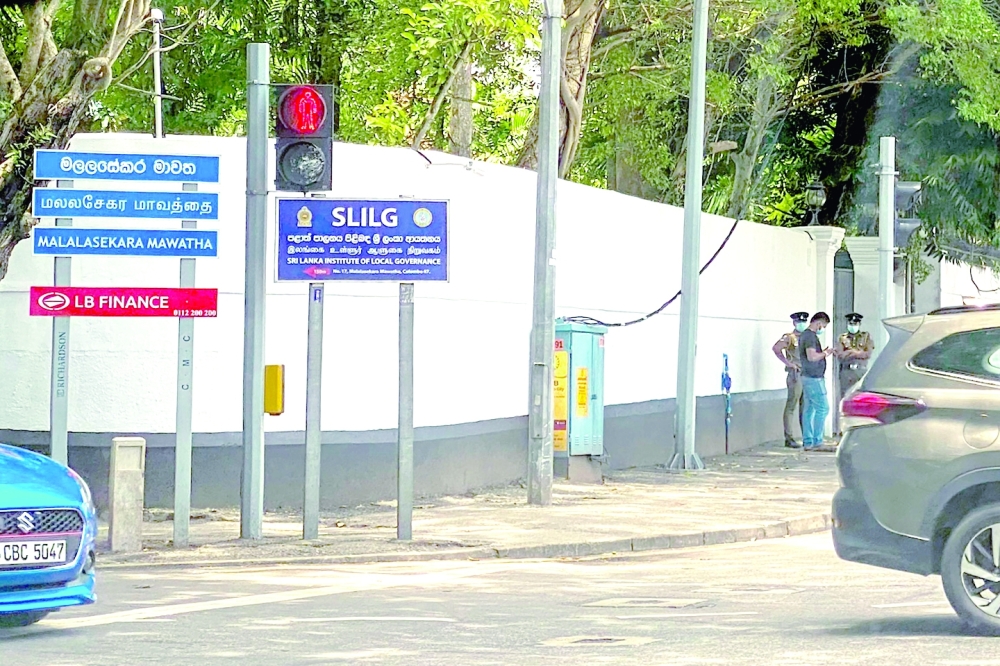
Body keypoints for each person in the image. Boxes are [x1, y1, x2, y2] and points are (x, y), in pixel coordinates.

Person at [772, 312, 809, 448]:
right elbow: (776, 349)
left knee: (805, 406)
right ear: (794, 323)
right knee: (792, 404)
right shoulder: (790, 337)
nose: (802, 324)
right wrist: (788, 363)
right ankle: (789, 437)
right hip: (796, 373)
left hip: (807, 374)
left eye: (804, 321)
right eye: (799, 322)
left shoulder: (808, 336)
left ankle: (807, 436)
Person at [799, 311, 835, 451]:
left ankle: (808, 441)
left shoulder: (805, 335)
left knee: (809, 409)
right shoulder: (810, 336)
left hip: (808, 376)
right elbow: (812, 357)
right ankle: (817, 440)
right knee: (823, 408)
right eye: (823, 326)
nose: (823, 329)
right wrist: (826, 353)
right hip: (814, 377)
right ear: (819, 323)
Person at [836, 313, 874, 401]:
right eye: (851, 324)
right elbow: (841, 355)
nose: (853, 326)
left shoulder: (866, 337)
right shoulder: (842, 338)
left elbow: (867, 354)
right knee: (845, 396)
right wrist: (858, 353)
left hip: (860, 370)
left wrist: (851, 352)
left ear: (859, 324)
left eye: (855, 324)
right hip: (847, 372)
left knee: (862, 396)